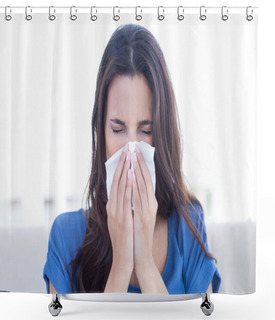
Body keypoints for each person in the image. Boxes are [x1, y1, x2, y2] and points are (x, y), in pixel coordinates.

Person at [43, 24, 221, 294]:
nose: (130, 148)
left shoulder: (188, 225)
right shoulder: (65, 236)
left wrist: (145, 264)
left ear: (161, 134)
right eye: (117, 128)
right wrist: (122, 265)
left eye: (145, 130)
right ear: (100, 131)